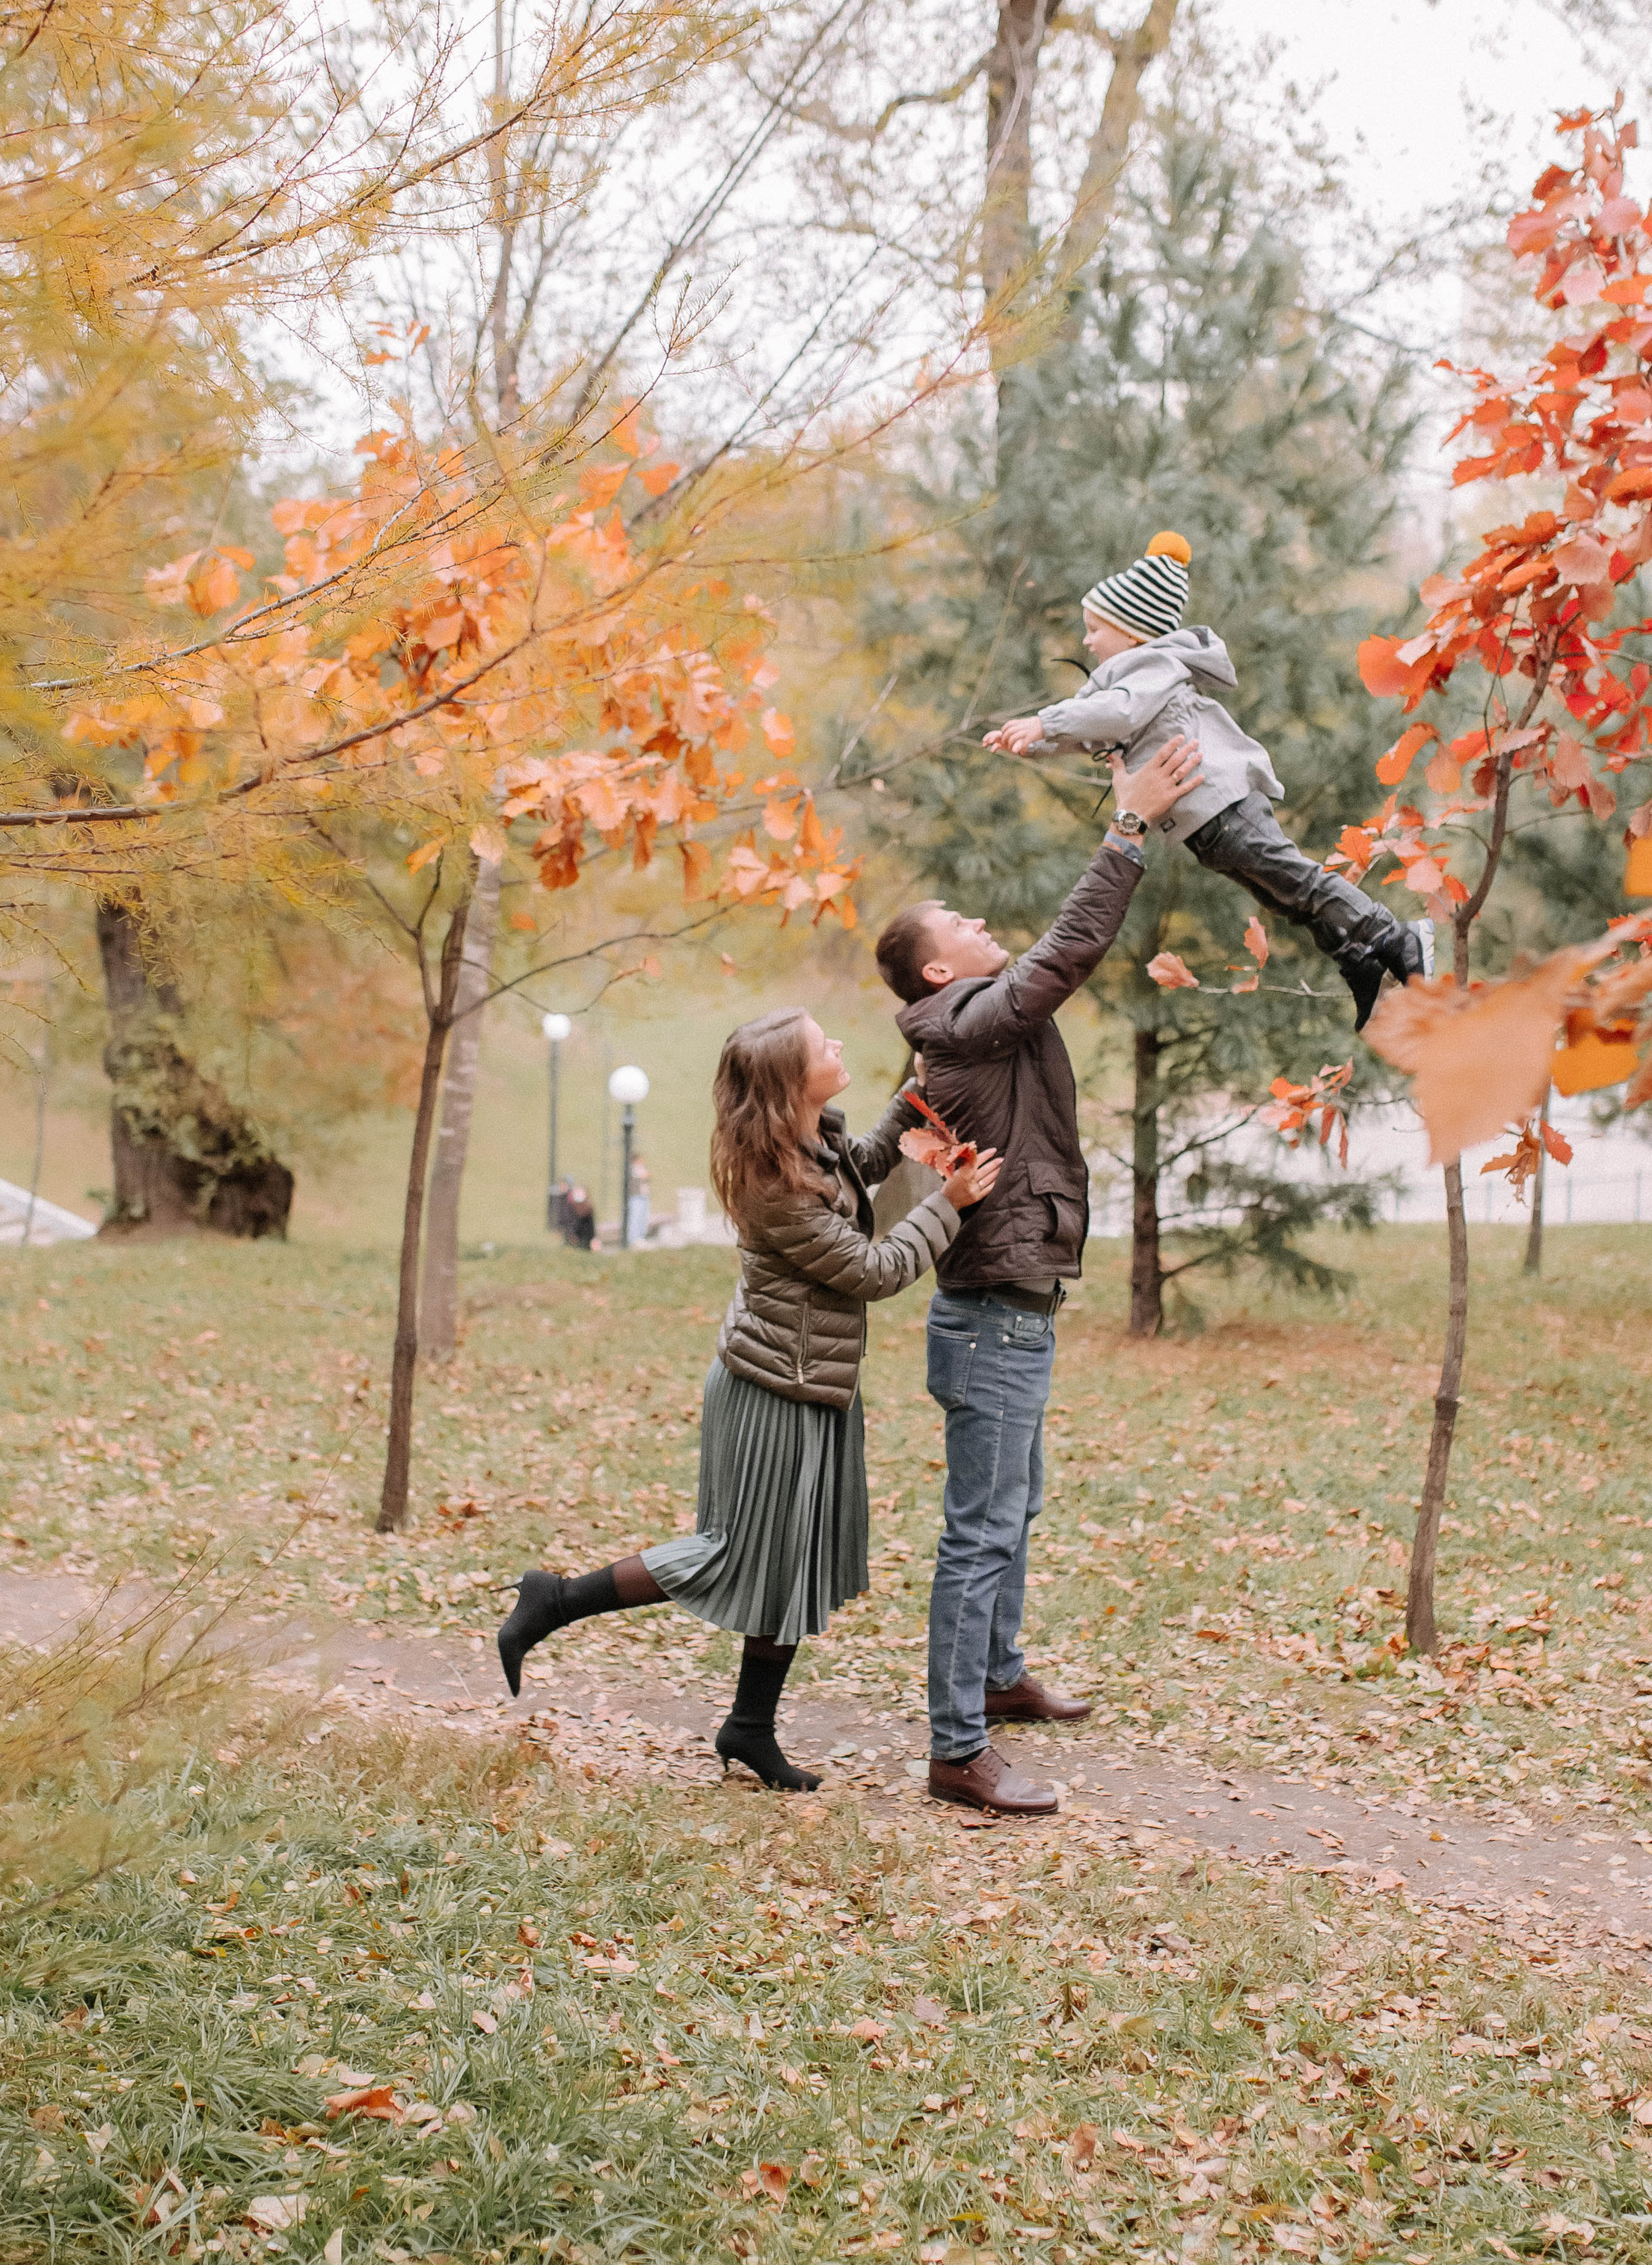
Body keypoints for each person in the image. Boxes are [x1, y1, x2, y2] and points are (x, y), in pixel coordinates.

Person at [497, 1010, 1001, 1790]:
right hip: (773, 1389)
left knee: (789, 1563)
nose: (836, 1045)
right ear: (790, 1082)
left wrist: (910, 1097)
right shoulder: (774, 1185)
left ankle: (749, 1728)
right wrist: (949, 1204)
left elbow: (862, 1162)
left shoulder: (809, 1137)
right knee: (731, 1551)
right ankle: (553, 1600)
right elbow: (873, 1270)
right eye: (821, 1046)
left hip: (812, 1379)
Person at [873, 738, 1206, 1818]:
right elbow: (1064, 954)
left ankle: (999, 1677)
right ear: (938, 969)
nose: (981, 925)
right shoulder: (970, 1020)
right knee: (981, 1526)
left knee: (1015, 1508)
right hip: (988, 1320)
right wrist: (1127, 827)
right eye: (960, 926)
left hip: (1011, 1309)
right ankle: (956, 1750)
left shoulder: (954, 1036)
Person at [983, 529, 1428, 1030]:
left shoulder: (1150, 667)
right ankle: (1357, 959)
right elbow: (1093, 724)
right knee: (1283, 898)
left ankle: (1394, 935)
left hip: (1224, 807)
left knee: (1297, 881)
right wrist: (1033, 741)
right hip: (1204, 825)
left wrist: (1045, 722)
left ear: (1131, 633)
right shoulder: (1124, 679)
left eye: (1094, 629)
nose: (1086, 640)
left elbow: (1116, 712)